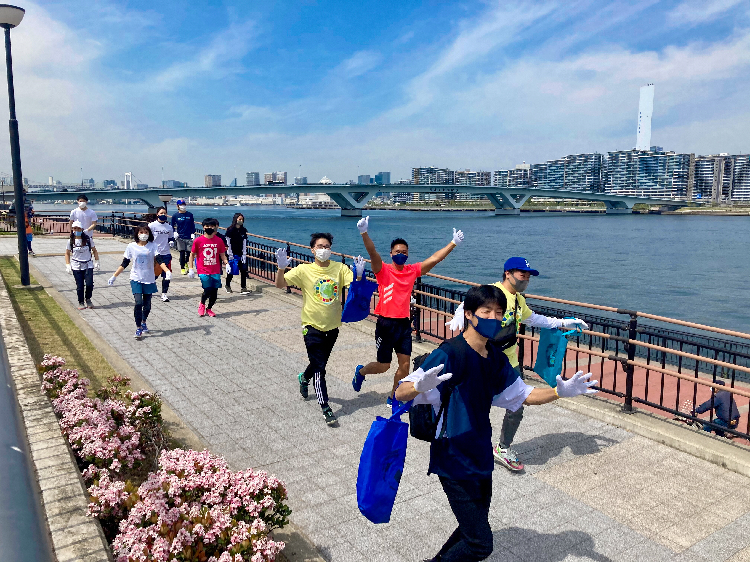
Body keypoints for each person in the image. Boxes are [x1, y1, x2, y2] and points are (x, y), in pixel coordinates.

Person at [395, 285, 597, 562]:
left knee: (472, 527)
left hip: (480, 453)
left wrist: (559, 392)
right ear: (469, 314)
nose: (493, 317)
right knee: (480, 545)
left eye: (499, 313)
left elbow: (523, 395)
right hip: (452, 455)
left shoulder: (496, 359)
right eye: (486, 311)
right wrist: (418, 385)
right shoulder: (450, 353)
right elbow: (401, 392)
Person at [446, 257, 588, 472]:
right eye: (523, 275)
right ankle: (459, 443)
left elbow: (533, 319)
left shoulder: (518, 299)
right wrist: (459, 313)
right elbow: (471, 302)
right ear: (507, 274)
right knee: (470, 403)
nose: (526, 279)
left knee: (517, 405)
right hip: (481, 359)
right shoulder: (495, 292)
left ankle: (502, 448)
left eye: (528, 276)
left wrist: (562, 322)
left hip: (508, 362)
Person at [352, 215, 464, 406]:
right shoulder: (383, 270)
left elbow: (435, 259)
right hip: (386, 323)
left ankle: (393, 397)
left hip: (404, 324)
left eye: (404, 251)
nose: (401, 254)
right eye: (397, 251)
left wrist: (452, 243)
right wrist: (364, 232)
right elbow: (372, 253)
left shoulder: (412, 270)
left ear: (408, 254)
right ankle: (361, 372)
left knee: (404, 367)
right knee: (383, 366)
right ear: (391, 253)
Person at [274, 232, 365, 426]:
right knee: (320, 369)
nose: (323, 250)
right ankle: (325, 407)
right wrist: (281, 268)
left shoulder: (339, 268)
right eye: (320, 246)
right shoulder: (303, 270)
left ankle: (303, 377)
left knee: (318, 363)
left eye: (327, 246)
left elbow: (356, 290)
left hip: (332, 326)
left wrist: (358, 275)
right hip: (311, 326)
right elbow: (280, 284)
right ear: (312, 249)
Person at [108, 226, 171, 339]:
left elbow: (159, 259)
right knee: (138, 303)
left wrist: (166, 270)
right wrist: (114, 276)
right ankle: (138, 328)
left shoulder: (153, 246)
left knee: (147, 305)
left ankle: (143, 321)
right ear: (137, 234)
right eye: (141, 232)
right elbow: (125, 263)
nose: (143, 234)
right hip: (136, 278)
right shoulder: (131, 246)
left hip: (149, 279)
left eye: (146, 232)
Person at [188, 217, 229, 317]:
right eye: (207, 226)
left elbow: (222, 254)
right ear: (203, 227)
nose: (209, 228)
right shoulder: (198, 240)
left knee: (215, 292)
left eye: (212, 226)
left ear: (215, 227)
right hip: (203, 269)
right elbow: (192, 254)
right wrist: (191, 268)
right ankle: (202, 303)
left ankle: (209, 308)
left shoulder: (219, 240)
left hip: (215, 270)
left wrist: (226, 263)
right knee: (208, 289)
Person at [65, 220, 100, 309]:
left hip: (88, 264)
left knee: (89, 284)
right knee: (80, 286)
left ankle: (88, 299)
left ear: (82, 229)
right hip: (76, 265)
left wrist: (97, 261)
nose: (76, 230)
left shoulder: (88, 239)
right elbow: (67, 253)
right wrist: (68, 264)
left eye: (78, 228)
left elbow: (94, 250)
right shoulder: (70, 241)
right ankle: (80, 302)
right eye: (75, 228)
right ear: (72, 229)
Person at [147, 207, 175, 302]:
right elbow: (147, 238)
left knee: (167, 274)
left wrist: (172, 241)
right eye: (161, 213)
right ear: (157, 214)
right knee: (153, 275)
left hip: (166, 253)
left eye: (165, 213)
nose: (163, 214)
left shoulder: (169, 227)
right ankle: (148, 291)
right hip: (154, 254)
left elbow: (171, 237)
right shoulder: (152, 226)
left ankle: (164, 294)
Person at [225, 213, 250, 294]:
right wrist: (230, 254)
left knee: (243, 270)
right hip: (232, 253)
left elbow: (244, 242)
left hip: (241, 253)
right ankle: (227, 285)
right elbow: (228, 242)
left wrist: (244, 254)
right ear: (235, 219)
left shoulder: (243, 230)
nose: (241, 221)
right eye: (239, 219)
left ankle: (243, 287)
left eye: (242, 219)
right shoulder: (230, 230)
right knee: (232, 271)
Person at [171, 199, 195, 274]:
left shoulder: (190, 215)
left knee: (188, 253)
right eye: (181, 205)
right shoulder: (175, 215)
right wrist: (174, 232)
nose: (183, 206)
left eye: (184, 204)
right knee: (182, 252)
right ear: (177, 206)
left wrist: (193, 233)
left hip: (188, 236)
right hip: (180, 237)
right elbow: (172, 225)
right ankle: (182, 268)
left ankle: (185, 263)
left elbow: (192, 225)